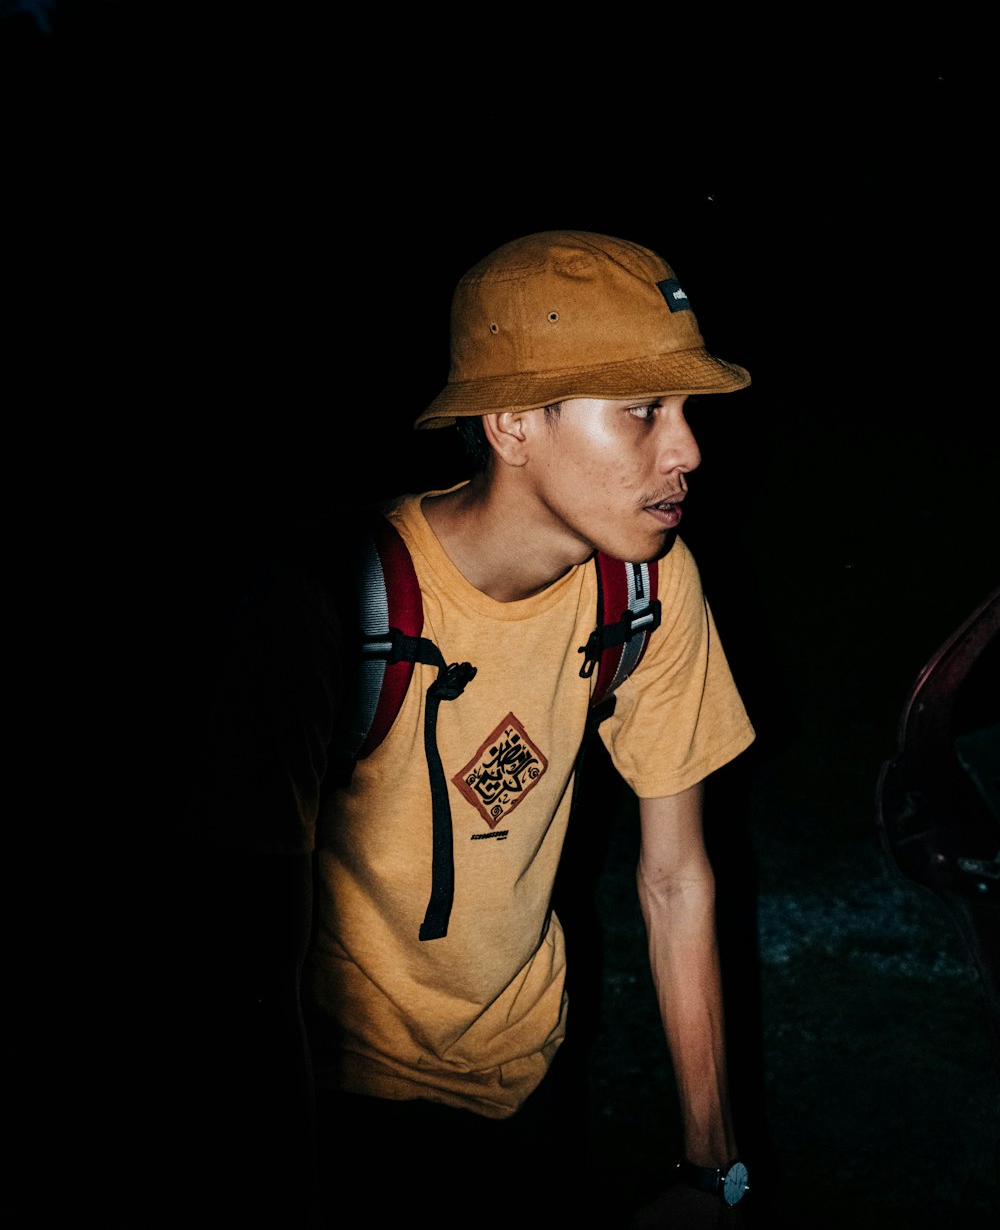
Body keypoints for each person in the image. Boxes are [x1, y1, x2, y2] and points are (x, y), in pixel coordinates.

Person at [170, 231, 756, 1229]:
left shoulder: (650, 581)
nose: (687, 449)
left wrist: (714, 1169)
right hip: (339, 1095)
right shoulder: (331, 608)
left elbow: (675, 878)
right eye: (643, 410)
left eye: (689, 410)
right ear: (513, 423)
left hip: (527, 1070)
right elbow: (244, 955)